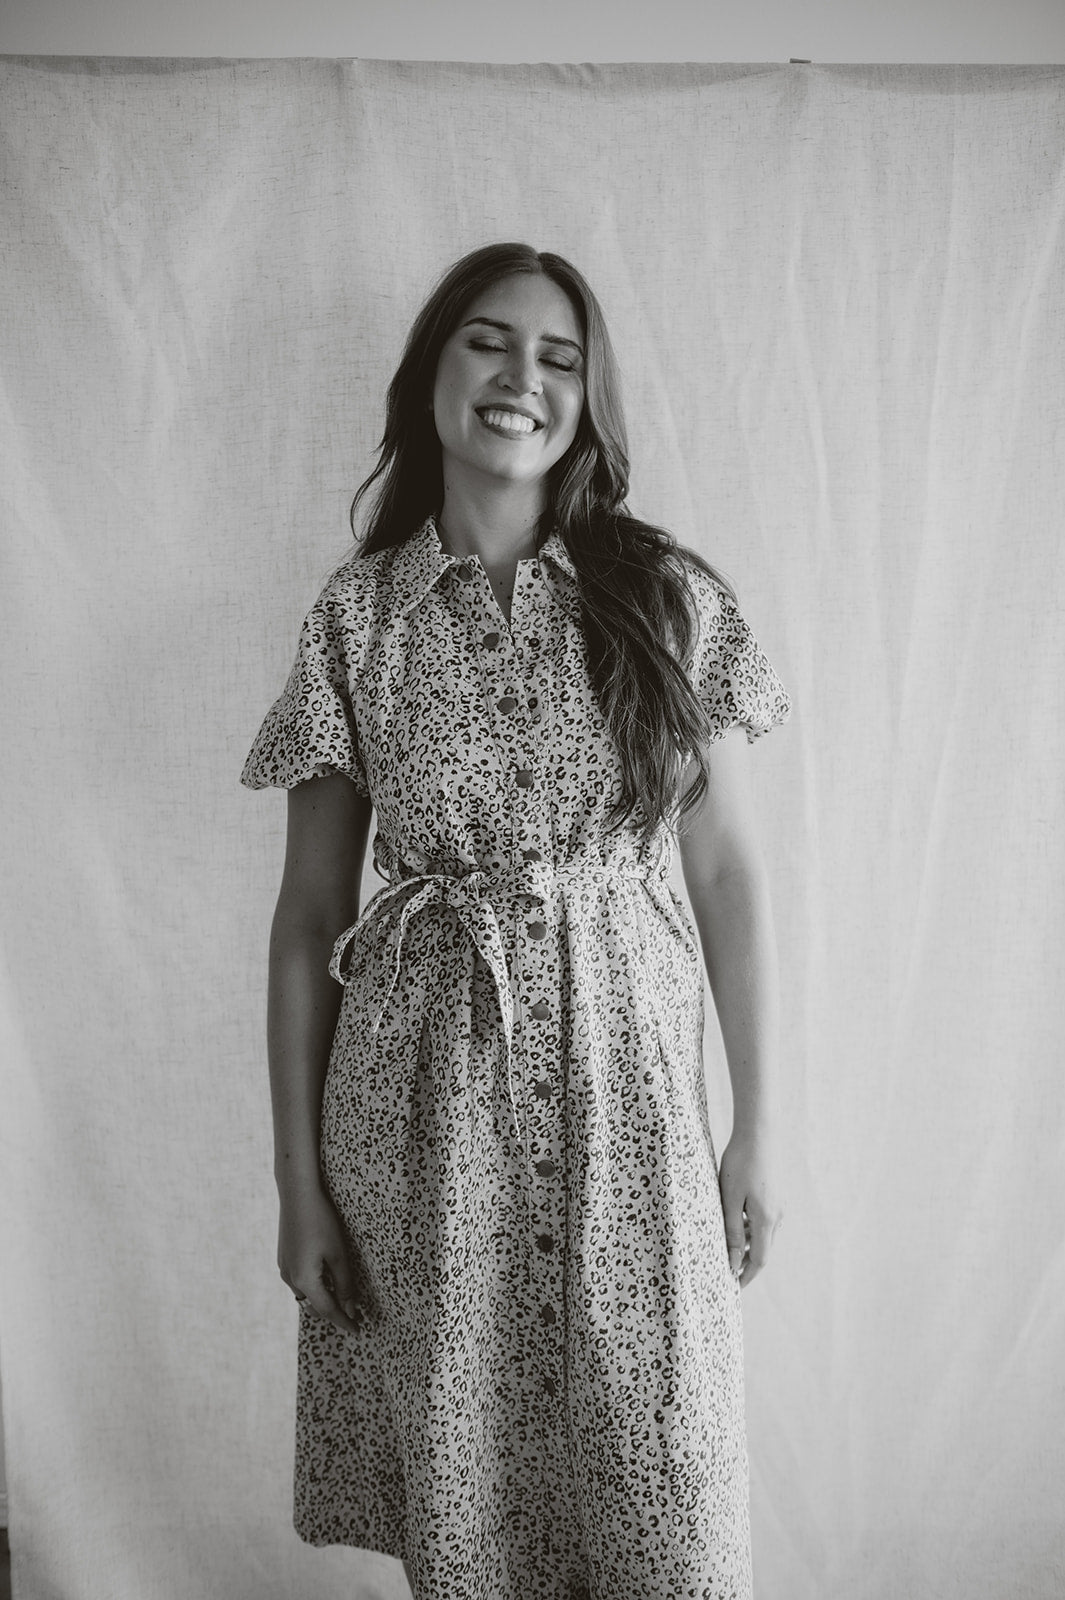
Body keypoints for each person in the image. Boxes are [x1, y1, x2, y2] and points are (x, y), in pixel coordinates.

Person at [242, 241, 791, 1600]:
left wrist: (758, 1128)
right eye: (488, 342)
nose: (520, 379)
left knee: (664, 1498)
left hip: (632, 1112)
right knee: (473, 1515)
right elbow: (309, 916)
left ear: (588, 401)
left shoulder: (664, 599)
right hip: (423, 1124)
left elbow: (728, 876)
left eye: (559, 358)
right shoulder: (357, 620)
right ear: (432, 371)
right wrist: (299, 1182)